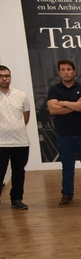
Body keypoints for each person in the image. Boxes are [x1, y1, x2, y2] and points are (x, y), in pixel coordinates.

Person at [48, 60, 81, 206]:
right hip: (64, 134)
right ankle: (67, 194)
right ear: (59, 73)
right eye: (63, 70)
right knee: (67, 165)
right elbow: (53, 109)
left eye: (69, 69)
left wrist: (62, 103)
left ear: (74, 71)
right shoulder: (54, 90)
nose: (66, 72)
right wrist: (76, 105)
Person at [0, 65, 31, 210]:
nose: (5, 78)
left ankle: (16, 199)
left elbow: (26, 116)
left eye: (7, 75)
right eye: (1, 76)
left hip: (20, 141)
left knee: (18, 172)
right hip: (1, 143)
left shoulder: (21, 95)